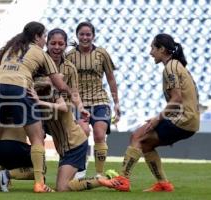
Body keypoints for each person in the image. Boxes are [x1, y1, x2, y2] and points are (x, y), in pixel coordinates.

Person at [99, 33, 200, 192]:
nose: (150, 52)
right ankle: (163, 184)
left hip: (183, 119)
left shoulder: (170, 67)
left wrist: (157, 119)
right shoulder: (177, 65)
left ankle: (123, 179)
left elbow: (176, 99)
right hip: (191, 121)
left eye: (153, 48)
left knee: (137, 136)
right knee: (145, 143)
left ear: (162, 49)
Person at [0, 21, 72, 193]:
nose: (45, 40)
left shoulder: (10, 48)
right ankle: (39, 184)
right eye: (44, 36)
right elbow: (58, 83)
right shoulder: (41, 53)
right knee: (37, 138)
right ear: (37, 37)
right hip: (20, 88)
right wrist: (70, 91)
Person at [37, 28, 101, 192]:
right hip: (41, 112)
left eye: (61, 44)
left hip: (61, 112)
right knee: (37, 141)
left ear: (65, 45)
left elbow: (74, 93)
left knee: (68, 144)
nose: (57, 47)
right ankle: (40, 179)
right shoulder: (38, 64)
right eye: (53, 43)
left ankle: (76, 173)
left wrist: (81, 108)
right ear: (47, 43)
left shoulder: (70, 68)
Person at [66, 22, 120, 177]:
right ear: (77, 35)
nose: (85, 37)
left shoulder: (102, 54)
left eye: (88, 34)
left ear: (93, 36)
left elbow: (111, 79)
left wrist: (116, 103)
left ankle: (99, 173)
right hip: (79, 102)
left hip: (100, 100)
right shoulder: (69, 56)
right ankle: (81, 169)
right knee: (82, 133)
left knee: (99, 134)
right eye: (82, 34)